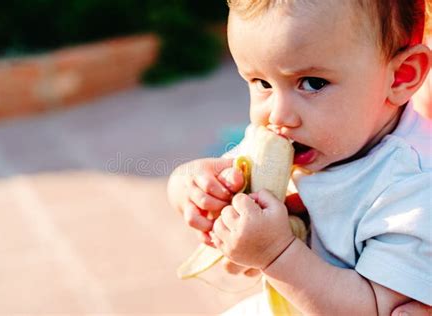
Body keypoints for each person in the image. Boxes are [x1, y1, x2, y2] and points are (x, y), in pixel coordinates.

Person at [167, 0, 431, 314]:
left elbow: (377, 309)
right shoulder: (304, 137)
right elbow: (209, 175)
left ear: (401, 75)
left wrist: (275, 254)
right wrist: (193, 188)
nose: (278, 115)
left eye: (312, 83)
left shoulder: (413, 190)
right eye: (262, 83)